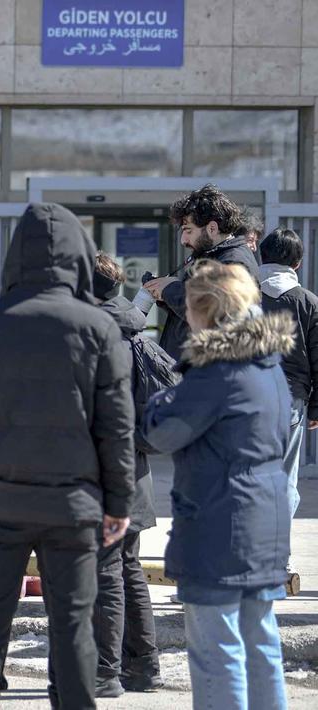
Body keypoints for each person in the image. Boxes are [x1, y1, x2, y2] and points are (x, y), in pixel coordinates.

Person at [0, 203, 135, 710]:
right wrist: (119, 501)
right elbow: (115, 427)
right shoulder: (98, 327)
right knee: (72, 622)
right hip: (75, 503)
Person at [142, 261, 292, 710]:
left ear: (204, 311)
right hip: (264, 521)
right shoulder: (268, 363)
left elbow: (160, 431)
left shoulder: (215, 371)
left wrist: (168, 391)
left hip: (219, 521)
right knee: (260, 644)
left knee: (216, 652)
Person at [93, 253, 177, 695]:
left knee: (101, 573)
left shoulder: (89, 338)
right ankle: (144, 667)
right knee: (128, 570)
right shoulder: (136, 333)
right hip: (136, 471)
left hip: (95, 475)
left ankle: (104, 671)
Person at [143, 184, 257, 360]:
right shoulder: (213, 256)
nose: (183, 240)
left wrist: (170, 289)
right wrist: (164, 294)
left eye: (188, 231)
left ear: (212, 228)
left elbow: (213, 312)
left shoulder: (234, 263)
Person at [259, 227, 318, 525]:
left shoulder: (241, 296)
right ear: (297, 263)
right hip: (289, 398)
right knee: (283, 477)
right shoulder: (307, 302)